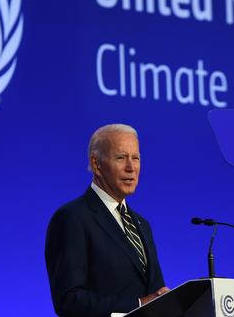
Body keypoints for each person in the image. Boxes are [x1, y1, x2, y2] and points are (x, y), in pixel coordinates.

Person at [45, 124, 169, 317]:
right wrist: (137, 304)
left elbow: (155, 293)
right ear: (96, 164)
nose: (131, 167)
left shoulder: (142, 225)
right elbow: (68, 300)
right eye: (121, 158)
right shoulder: (72, 218)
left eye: (135, 158)